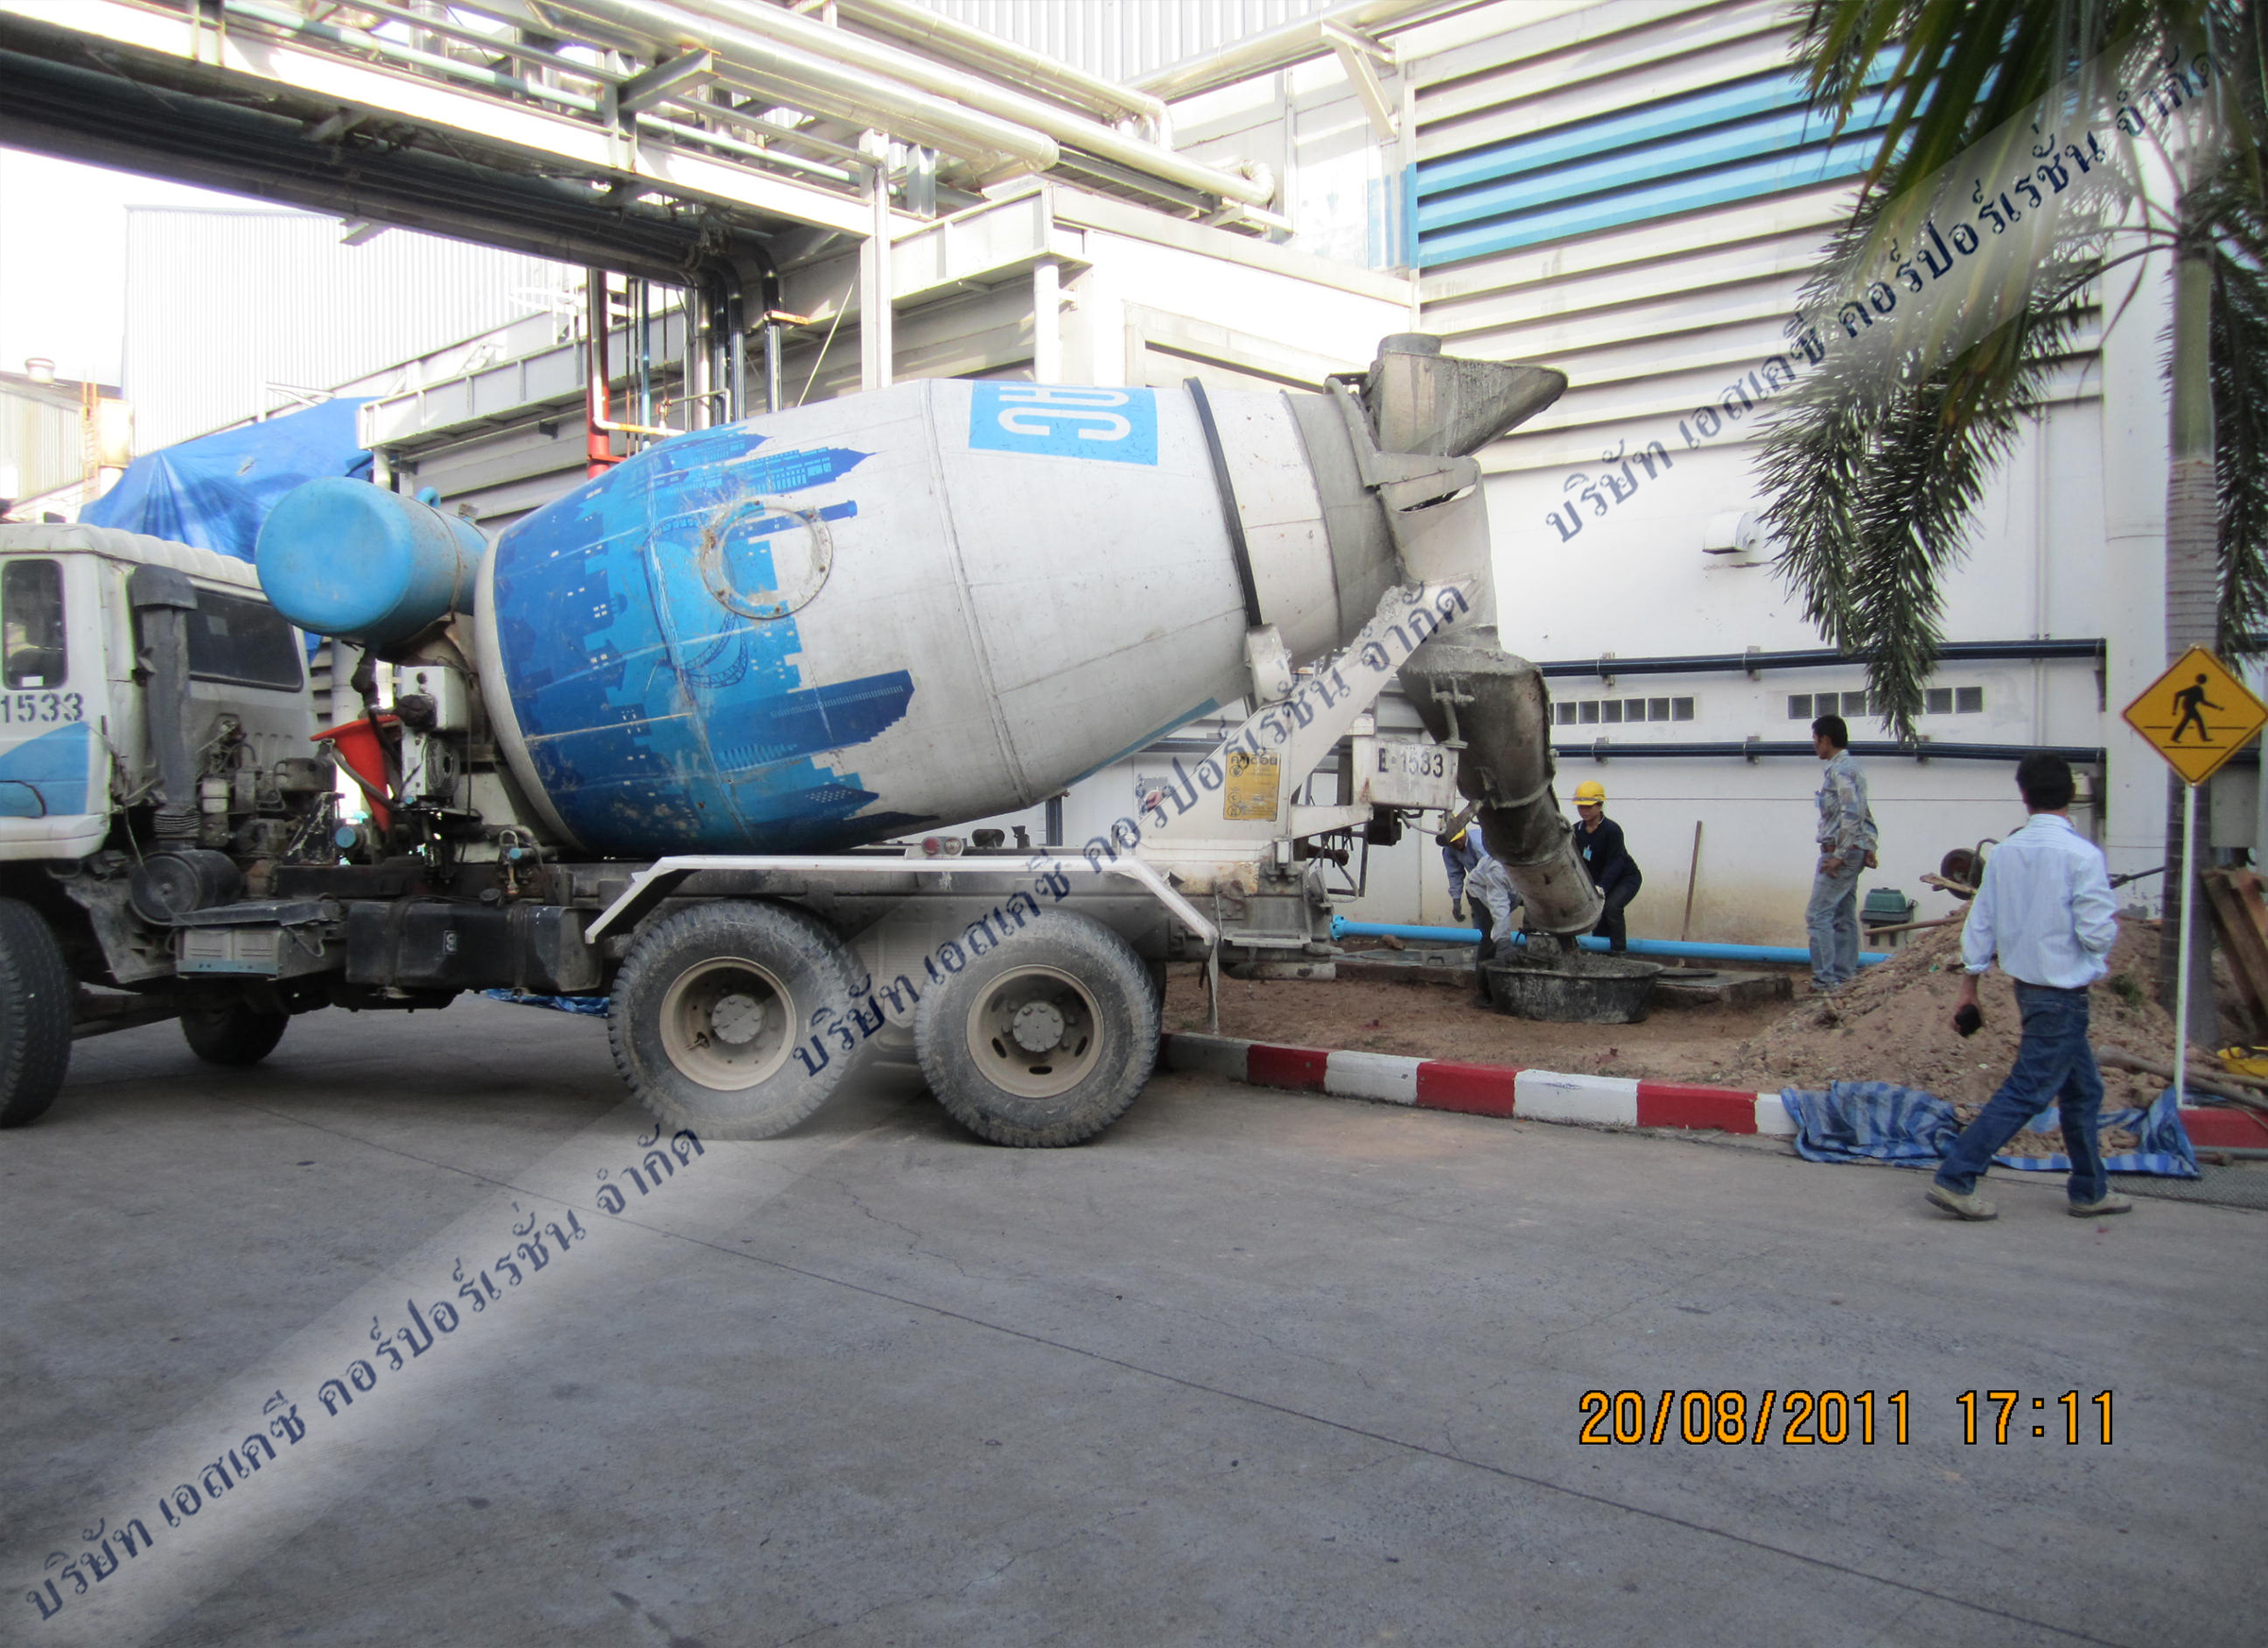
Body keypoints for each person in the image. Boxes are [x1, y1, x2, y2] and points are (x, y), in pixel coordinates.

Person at [1929, 752, 2129, 1222]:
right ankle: (1956, 1176)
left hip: (2030, 989)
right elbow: (2098, 933)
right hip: (2064, 996)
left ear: (2023, 795)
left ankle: (2090, 1189)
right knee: (2028, 1089)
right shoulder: (2083, 856)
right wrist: (2094, 947)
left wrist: (1970, 986)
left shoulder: (2005, 854)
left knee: (2083, 1090)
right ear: (2071, 794)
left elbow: (1981, 922)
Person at [1807, 713, 1879, 992]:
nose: (1814, 746)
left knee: (1818, 915)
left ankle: (1825, 982)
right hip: (1853, 850)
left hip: (1840, 854)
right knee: (1843, 915)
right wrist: (1868, 845)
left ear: (1826, 740)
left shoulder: (1840, 770)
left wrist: (1839, 854)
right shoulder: (1850, 767)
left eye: (1815, 740)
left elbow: (1853, 811)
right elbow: (1863, 811)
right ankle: (1846, 977)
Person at [1571, 780, 1641, 952]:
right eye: (1581, 807)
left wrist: (1601, 887)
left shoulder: (1612, 830)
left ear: (1600, 805)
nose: (1584, 811)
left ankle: (1618, 952)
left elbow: (1616, 862)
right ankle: (1600, 954)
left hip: (1624, 879)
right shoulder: (1575, 831)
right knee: (1598, 913)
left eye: (1589, 807)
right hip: (1598, 880)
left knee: (1611, 908)